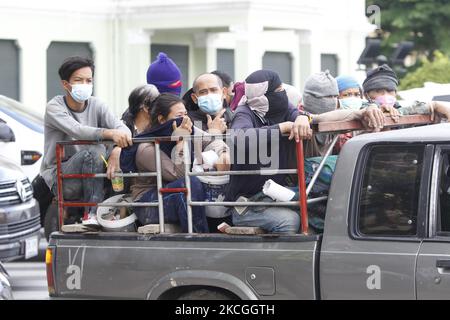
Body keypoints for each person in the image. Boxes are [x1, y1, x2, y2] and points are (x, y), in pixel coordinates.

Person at [226, 69, 388, 234]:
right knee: (290, 221)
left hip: (275, 196)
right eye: (278, 90)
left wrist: (360, 112)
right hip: (248, 204)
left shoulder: (282, 108)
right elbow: (240, 138)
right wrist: (282, 128)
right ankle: (283, 259)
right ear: (262, 96)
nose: (283, 93)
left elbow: (320, 117)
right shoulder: (244, 113)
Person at [41, 56, 132, 225]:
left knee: (125, 156)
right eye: (78, 80)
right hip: (63, 176)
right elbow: (78, 130)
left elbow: (124, 129)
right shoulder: (55, 107)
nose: (85, 84)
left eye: (88, 80)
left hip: (94, 172)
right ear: (65, 84)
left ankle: (116, 211)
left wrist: (117, 150)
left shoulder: (98, 105)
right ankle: (91, 214)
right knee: (95, 150)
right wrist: (110, 134)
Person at [130, 93, 230, 233]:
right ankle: (198, 236)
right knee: (190, 183)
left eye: (186, 114)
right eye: (179, 116)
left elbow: (212, 140)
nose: (185, 120)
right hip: (148, 204)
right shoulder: (146, 147)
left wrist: (223, 154)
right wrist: (181, 144)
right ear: (162, 120)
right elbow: (179, 175)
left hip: (171, 193)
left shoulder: (189, 129)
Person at [362, 64, 450, 120]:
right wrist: (373, 108)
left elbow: (404, 111)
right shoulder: (363, 110)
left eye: (390, 91)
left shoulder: (399, 109)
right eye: (379, 91)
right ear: (366, 95)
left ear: (395, 93)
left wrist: (434, 105)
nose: (385, 95)